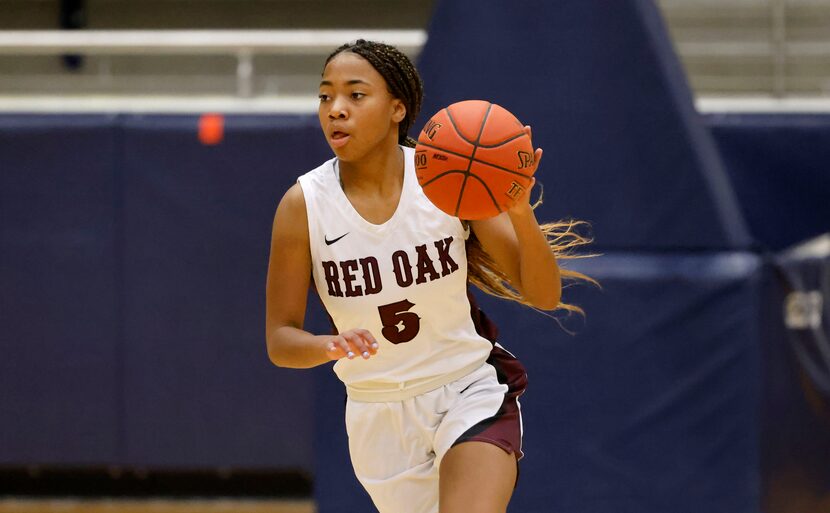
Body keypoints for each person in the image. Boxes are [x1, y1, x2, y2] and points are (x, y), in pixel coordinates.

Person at [265, 39, 592, 513]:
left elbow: (543, 294)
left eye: (355, 95)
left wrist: (519, 210)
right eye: (325, 96)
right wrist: (328, 346)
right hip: (378, 412)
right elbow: (280, 339)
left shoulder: (447, 181)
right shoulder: (303, 206)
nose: (336, 109)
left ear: (398, 108)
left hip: (467, 389)